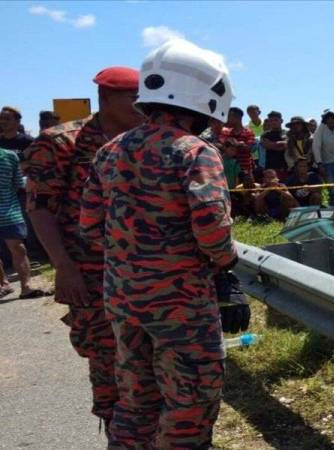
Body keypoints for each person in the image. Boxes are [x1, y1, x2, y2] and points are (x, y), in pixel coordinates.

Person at [80, 39, 248, 449]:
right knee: (190, 402)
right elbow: (211, 229)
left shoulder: (109, 151)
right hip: (181, 306)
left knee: (136, 399)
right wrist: (226, 263)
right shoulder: (196, 152)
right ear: (207, 98)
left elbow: (88, 227)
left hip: (122, 300)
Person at [23, 66, 143, 435]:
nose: (143, 108)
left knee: (147, 361)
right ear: (106, 98)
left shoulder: (146, 140)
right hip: (90, 270)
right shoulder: (61, 143)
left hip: (147, 271)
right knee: (106, 357)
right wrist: (64, 266)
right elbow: (40, 208)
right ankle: (117, 433)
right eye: (134, 99)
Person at [0, 147, 50, 299]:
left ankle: (25, 287)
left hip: (9, 211)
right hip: (10, 209)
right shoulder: (10, 155)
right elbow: (17, 184)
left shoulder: (9, 156)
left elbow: (17, 183)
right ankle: (3, 284)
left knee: (18, 248)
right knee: (18, 248)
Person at [218, 106, 255, 175]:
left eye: (229, 116)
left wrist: (235, 144)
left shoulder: (248, 132)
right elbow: (221, 146)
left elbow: (249, 149)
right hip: (229, 169)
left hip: (245, 170)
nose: (226, 119)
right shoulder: (226, 132)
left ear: (237, 118)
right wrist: (238, 145)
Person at [260, 111, 288, 182]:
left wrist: (272, 144)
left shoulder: (287, 133)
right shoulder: (265, 135)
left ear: (281, 121)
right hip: (270, 167)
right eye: (271, 120)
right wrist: (280, 143)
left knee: (283, 189)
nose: (273, 122)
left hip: (285, 167)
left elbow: (286, 145)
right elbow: (267, 146)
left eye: (276, 120)